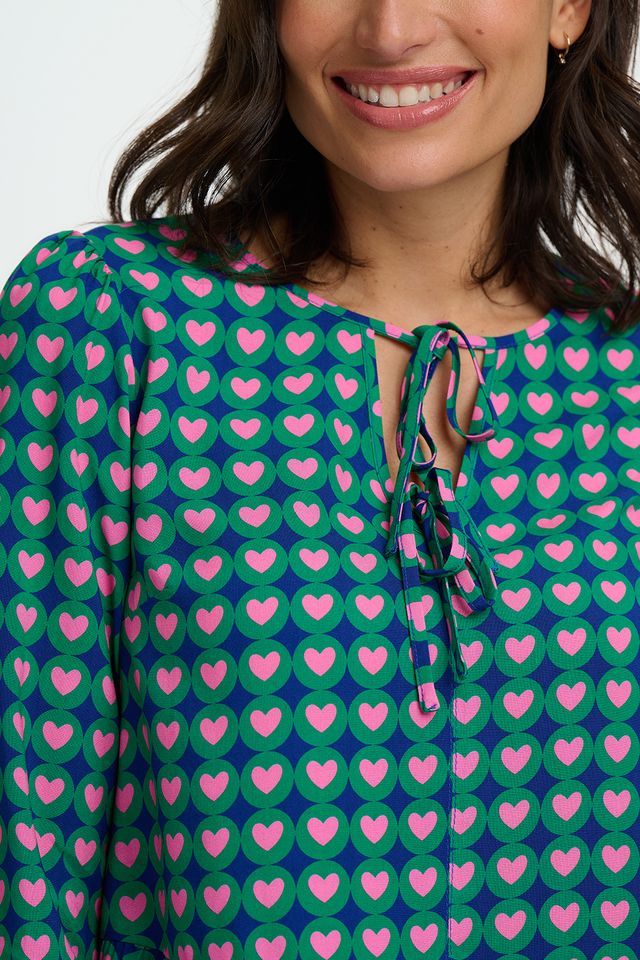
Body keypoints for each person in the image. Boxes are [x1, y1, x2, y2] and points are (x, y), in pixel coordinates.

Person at [1, 0, 639, 958]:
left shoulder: (627, 381)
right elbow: (24, 851)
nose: (390, 29)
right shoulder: (110, 322)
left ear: (568, 8)